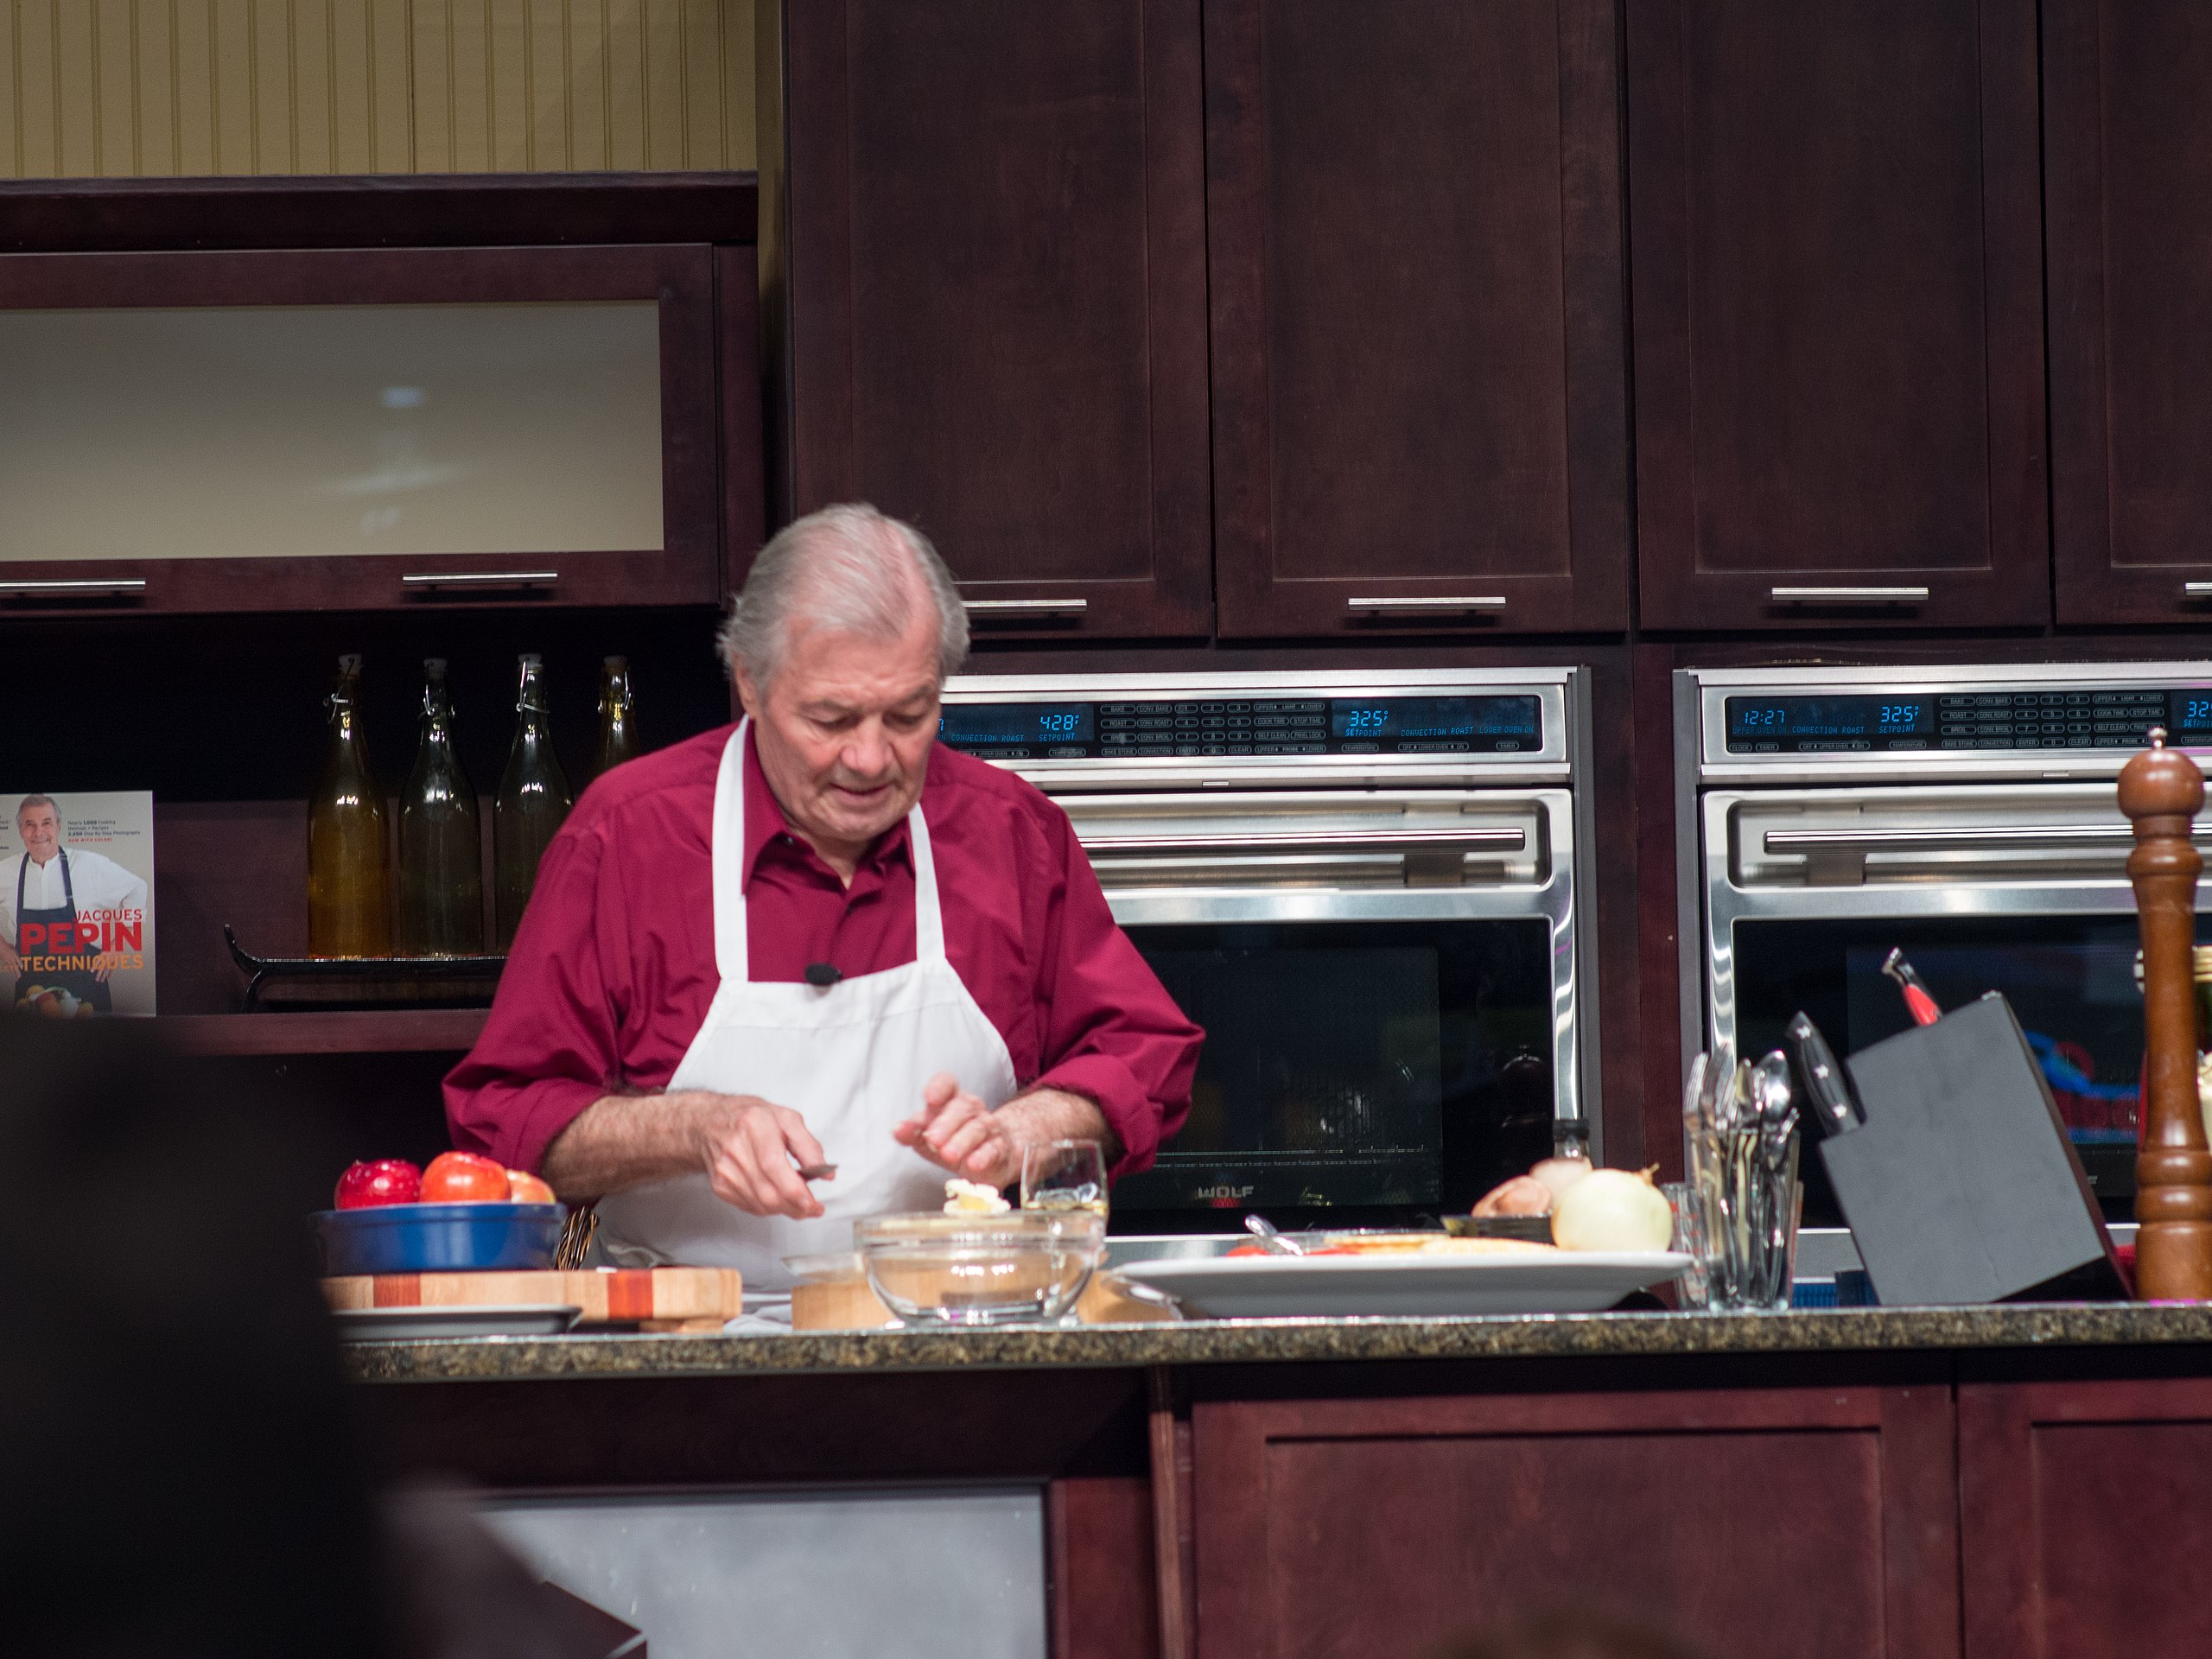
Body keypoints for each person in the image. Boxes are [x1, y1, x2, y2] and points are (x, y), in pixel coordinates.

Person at [445, 503, 1203, 1290]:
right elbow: (505, 1116)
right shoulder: (628, 837)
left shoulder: (1009, 831)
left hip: (963, 1335)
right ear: (750, 681)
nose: (871, 758)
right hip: (688, 1349)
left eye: (909, 716)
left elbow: (1143, 1054)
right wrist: (692, 1130)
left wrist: (1036, 1127)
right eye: (831, 718)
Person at [0, 792, 149, 1014]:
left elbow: (138, 888)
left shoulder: (88, 865)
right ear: (21, 830)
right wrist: (2, 947)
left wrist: (116, 946)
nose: (39, 832)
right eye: (30, 825)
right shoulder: (6, 870)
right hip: (33, 991)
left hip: (87, 985)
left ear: (58, 827)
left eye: (46, 823)